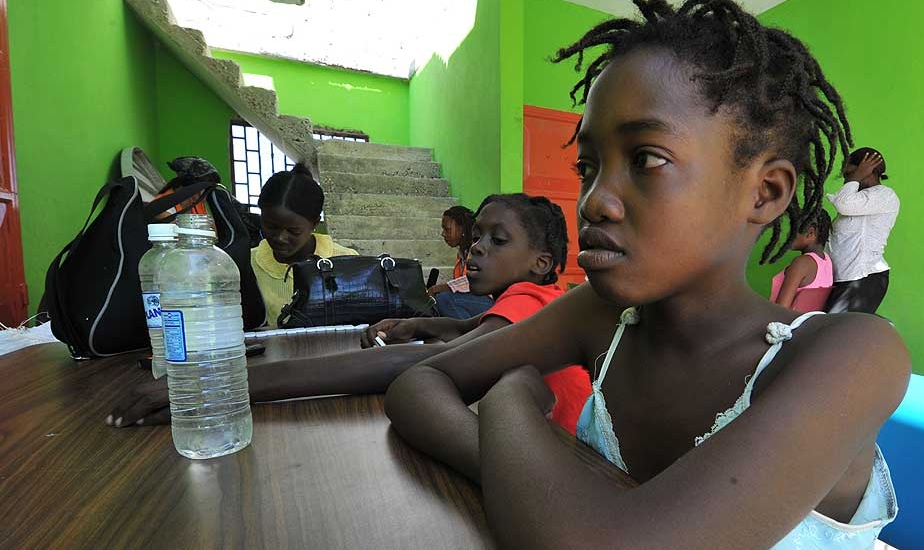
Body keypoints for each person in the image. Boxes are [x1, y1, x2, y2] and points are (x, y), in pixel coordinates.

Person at [384, 0, 910, 549]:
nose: (592, 201)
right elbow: (420, 382)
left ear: (765, 191)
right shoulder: (605, 316)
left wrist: (509, 400)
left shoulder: (855, 354)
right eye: (588, 166)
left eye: (647, 159)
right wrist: (529, 483)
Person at [105, 193, 591, 435]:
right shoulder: (532, 302)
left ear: (541, 263)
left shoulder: (529, 302)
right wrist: (418, 323)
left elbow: (422, 364)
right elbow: (467, 329)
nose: (478, 249)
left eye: (497, 241)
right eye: (477, 237)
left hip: (568, 465)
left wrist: (223, 384)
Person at [251, 164, 357, 328]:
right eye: (271, 227)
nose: (280, 238)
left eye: (293, 231)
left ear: (314, 224)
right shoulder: (247, 263)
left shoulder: (347, 262)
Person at [824, 148, 900, 314]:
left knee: (838, 334)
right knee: (832, 332)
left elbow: (843, 204)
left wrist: (856, 176)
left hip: (862, 277)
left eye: (851, 173)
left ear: (868, 170)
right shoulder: (859, 199)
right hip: (845, 279)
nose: (847, 180)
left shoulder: (885, 195)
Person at [427, 205, 494, 319]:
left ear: (461, 229)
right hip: (475, 300)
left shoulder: (480, 248)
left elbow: (476, 279)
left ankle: (468, 334)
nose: (443, 234)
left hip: (491, 301)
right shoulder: (462, 254)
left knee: (445, 299)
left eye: (447, 229)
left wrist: (439, 288)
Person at [770, 211, 834, 312]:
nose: (788, 235)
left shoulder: (802, 263)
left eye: (793, 230)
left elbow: (781, 310)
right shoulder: (827, 261)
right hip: (807, 324)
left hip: (785, 324)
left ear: (810, 233)